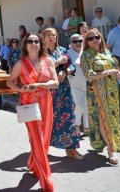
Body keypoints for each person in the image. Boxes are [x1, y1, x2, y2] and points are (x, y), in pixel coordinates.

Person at [6, 32, 58, 192]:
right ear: (25, 44)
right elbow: (9, 81)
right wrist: (20, 90)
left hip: (46, 102)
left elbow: (55, 83)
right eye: (30, 41)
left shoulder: (48, 61)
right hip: (29, 103)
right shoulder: (21, 63)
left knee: (44, 140)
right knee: (37, 140)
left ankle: (32, 164)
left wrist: (40, 86)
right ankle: (46, 180)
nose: (34, 43)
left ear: (40, 44)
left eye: (36, 41)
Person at [80, 28, 120, 164]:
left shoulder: (107, 52)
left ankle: (106, 144)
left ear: (101, 39)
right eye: (91, 38)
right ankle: (112, 151)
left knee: (113, 119)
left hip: (112, 92)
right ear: (86, 42)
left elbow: (115, 66)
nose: (94, 40)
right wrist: (108, 72)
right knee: (103, 119)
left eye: (97, 37)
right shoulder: (86, 55)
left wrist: (118, 73)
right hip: (97, 93)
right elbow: (90, 75)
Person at [42, 28, 83, 159]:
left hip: (64, 91)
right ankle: (42, 150)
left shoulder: (63, 50)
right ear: (44, 38)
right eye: (48, 35)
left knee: (69, 118)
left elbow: (72, 66)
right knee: (47, 120)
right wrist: (59, 63)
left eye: (53, 35)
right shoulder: (41, 53)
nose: (51, 37)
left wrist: (65, 72)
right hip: (48, 92)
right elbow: (44, 69)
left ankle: (71, 150)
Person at [67, 34, 89, 134]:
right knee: (79, 105)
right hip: (73, 85)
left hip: (86, 84)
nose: (78, 43)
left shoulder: (86, 53)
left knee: (85, 105)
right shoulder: (67, 54)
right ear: (71, 44)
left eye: (80, 41)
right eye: (75, 41)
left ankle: (82, 127)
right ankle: (81, 126)